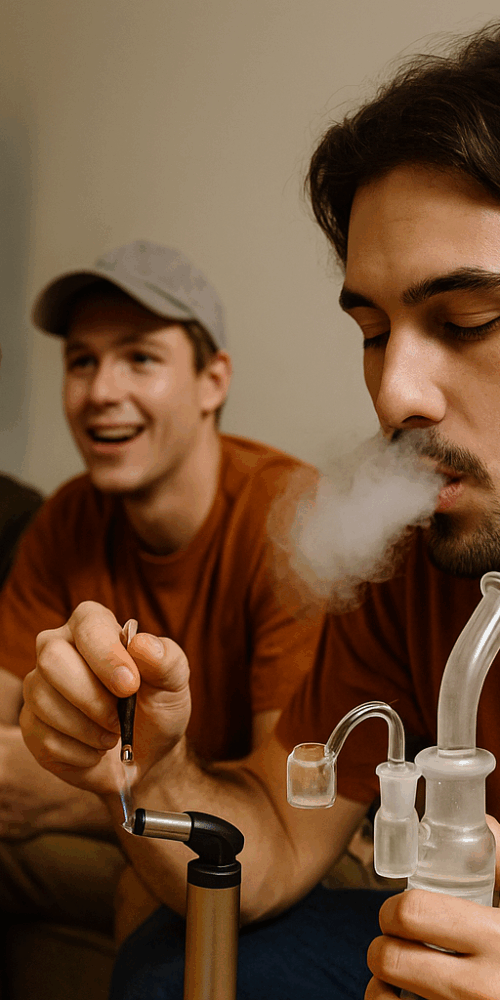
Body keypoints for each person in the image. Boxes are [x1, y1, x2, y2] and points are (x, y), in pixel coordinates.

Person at [20, 22, 500, 1000]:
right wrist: (149, 773)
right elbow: (276, 839)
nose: (394, 394)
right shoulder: (414, 547)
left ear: (211, 382)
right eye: (371, 332)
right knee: (167, 964)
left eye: (462, 322)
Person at [0, 241, 323, 954]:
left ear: (213, 381)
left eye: (139, 358)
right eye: (81, 360)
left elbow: (288, 803)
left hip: (264, 849)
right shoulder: (66, 518)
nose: (100, 391)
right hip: (133, 816)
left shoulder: (295, 523)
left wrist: (85, 789)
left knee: (151, 895)